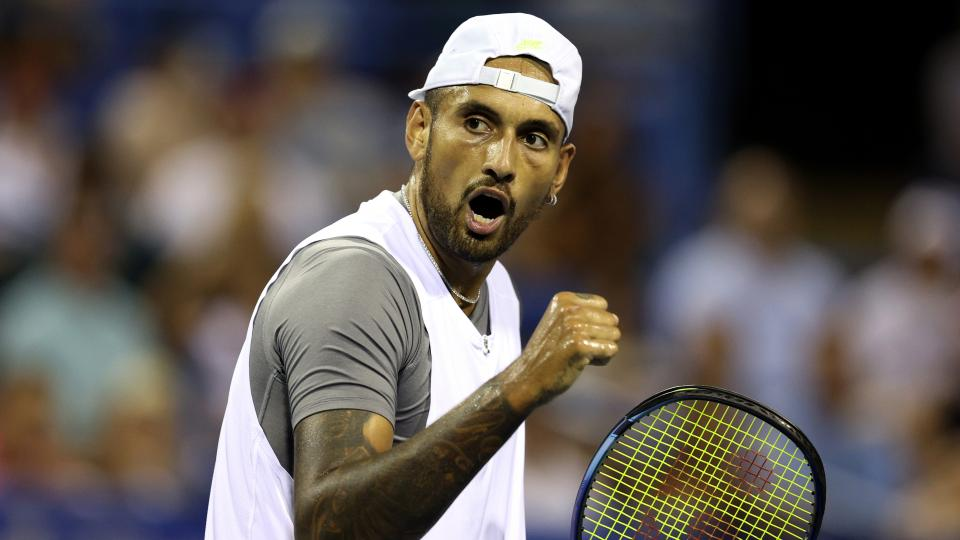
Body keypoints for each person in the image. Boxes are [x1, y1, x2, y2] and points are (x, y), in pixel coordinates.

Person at [205, 13, 621, 540]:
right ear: (419, 129)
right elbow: (332, 528)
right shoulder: (355, 279)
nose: (501, 161)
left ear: (560, 170)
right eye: (477, 123)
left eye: (533, 138)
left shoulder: (498, 291)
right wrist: (524, 383)